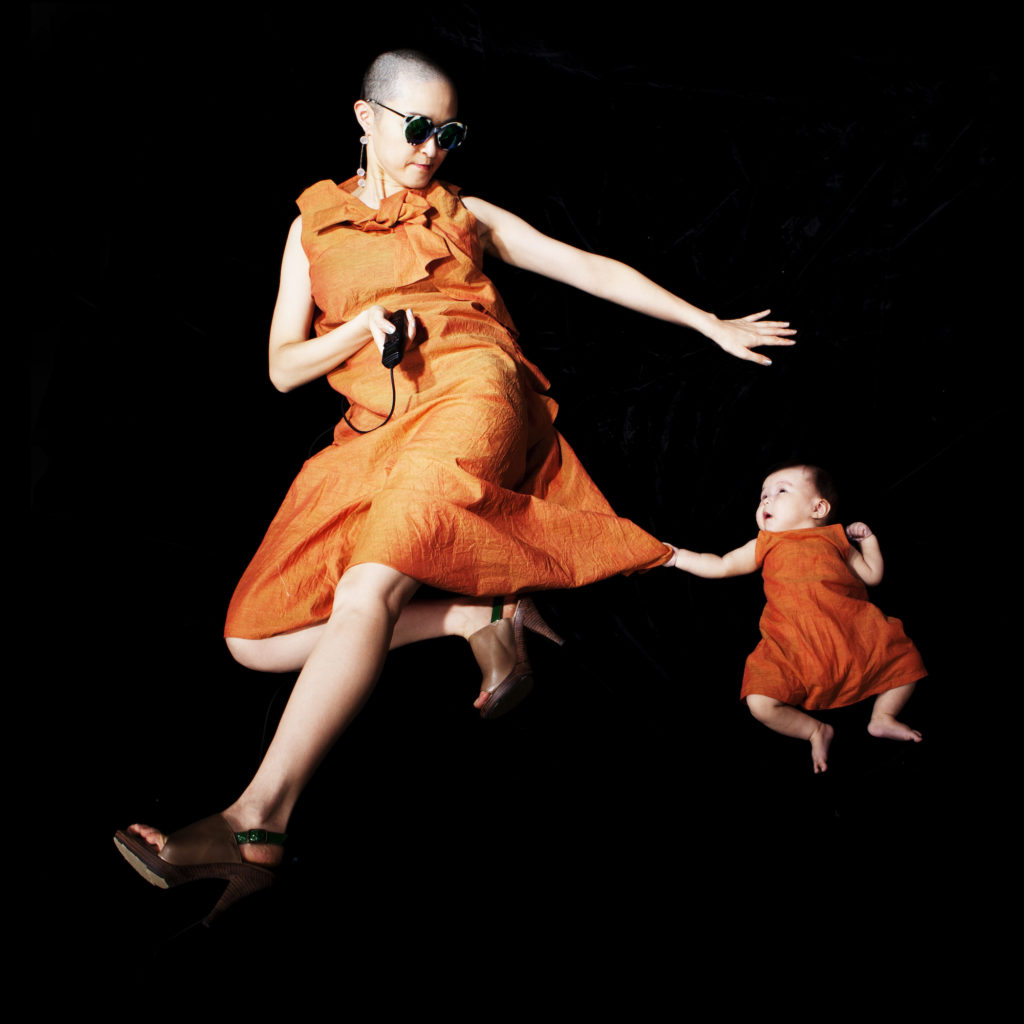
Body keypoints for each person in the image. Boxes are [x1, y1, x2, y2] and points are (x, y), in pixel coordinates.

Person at [114, 49, 796, 923]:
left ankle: (257, 821)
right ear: (365, 116)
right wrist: (359, 328)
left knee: (367, 590)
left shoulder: (464, 212)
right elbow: (284, 368)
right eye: (417, 128)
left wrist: (705, 320)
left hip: (475, 393)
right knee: (253, 639)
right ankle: (480, 615)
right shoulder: (310, 228)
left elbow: (584, 264)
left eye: (450, 133)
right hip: (374, 433)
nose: (433, 148)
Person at [666, 464, 925, 773]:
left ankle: (883, 716)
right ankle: (815, 730)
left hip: (851, 633)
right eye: (762, 496)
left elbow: (872, 575)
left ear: (818, 508)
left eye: (780, 491)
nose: (766, 499)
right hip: (793, 645)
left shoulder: (835, 538)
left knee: (908, 662)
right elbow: (721, 565)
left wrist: (867, 540)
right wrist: (678, 557)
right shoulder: (765, 543)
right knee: (758, 701)